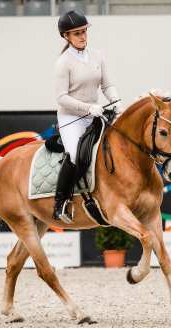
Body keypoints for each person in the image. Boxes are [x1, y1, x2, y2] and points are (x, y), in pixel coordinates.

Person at [53, 10, 122, 223]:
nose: (82, 36)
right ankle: (61, 202)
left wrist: (116, 100)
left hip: (95, 114)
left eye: (84, 32)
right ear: (66, 36)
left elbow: (107, 84)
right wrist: (88, 108)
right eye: (77, 33)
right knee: (74, 154)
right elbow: (61, 98)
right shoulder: (63, 63)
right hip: (71, 118)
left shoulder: (97, 55)